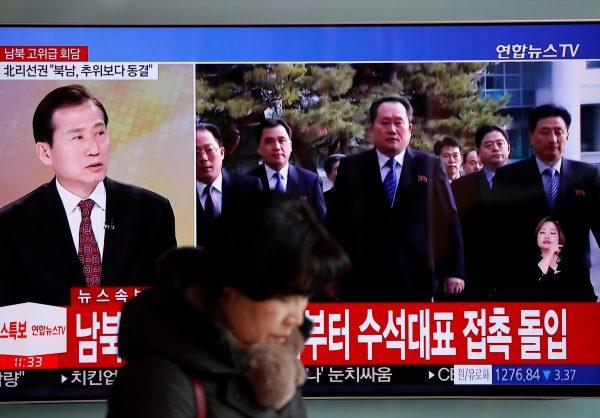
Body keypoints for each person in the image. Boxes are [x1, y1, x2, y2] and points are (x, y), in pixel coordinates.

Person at [107, 192, 350, 418]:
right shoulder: (158, 384)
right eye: (284, 298)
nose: (296, 318)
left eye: (305, 295)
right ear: (230, 287)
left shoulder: (274, 367)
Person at [0, 84, 177, 306]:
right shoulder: (11, 225)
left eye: (99, 133)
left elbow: (169, 307)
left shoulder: (152, 211)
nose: (94, 148)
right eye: (78, 138)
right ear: (45, 152)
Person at [326, 97, 465, 301]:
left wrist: (454, 270)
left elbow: (448, 220)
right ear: (371, 129)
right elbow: (335, 224)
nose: (392, 129)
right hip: (362, 280)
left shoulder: (430, 165)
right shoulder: (352, 167)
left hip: (416, 278)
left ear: (409, 128)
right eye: (385, 123)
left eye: (398, 123)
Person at [492, 104, 600, 301]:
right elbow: (496, 234)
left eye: (559, 132)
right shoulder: (508, 177)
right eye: (544, 132)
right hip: (522, 289)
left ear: (567, 136)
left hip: (574, 288)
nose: (553, 139)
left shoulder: (587, 175)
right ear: (531, 137)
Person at [451, 125, 511, 300]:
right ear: (478, 152)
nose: (495, 148)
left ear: (508, 148)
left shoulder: (526, 181)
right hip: (473, 275)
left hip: (515, 277)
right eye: (489, 145)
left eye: (500, 143)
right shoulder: (460, 187)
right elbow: (450, 232)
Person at [195, 123, 261, 247]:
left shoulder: (250, 188)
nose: (203, 158)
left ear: (222, 152)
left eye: (209, 150)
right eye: (196, 152)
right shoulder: (180, 194)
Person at [249, 118, 326, 221]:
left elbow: (321, 223)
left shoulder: (311, 181)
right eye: (269, 141)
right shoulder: (247, 181)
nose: (276, 147)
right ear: (259, 149)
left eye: (282, 140)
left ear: (290, 146)